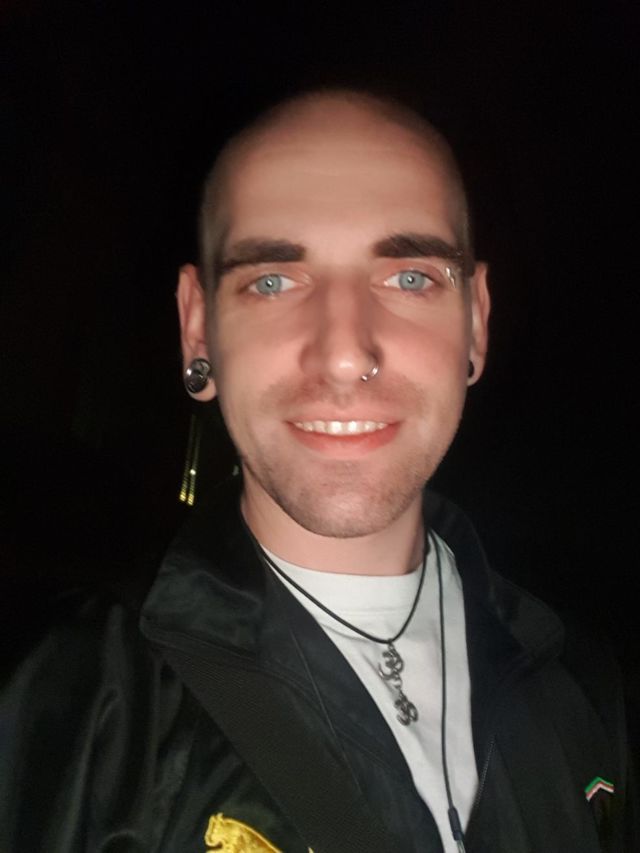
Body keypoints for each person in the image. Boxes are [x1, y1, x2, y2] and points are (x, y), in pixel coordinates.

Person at [1, 87, 634, 853]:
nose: (343, 353)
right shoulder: (73, 703)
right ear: (198, 327)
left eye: (409, 277)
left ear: (475, 320)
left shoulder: (583, 681)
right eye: (272, 280)